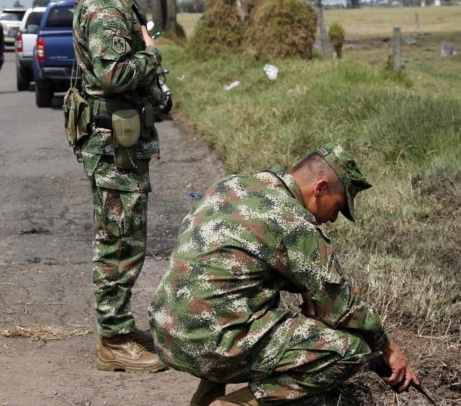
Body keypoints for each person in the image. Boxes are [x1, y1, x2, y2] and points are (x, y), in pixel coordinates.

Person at [149, 144, 420, 406]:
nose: (333, 219)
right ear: (320, 188)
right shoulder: (294, 221)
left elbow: (228, 262)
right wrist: (389, 349)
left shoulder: (231, 185)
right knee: (350, 351)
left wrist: (302, 287)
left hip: (167, 336)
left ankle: (204, 399)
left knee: (239, 300)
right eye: (338, 207)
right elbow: (343, 306)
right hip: (209, 347)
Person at [72, 0, 173, 373]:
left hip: (123, 143)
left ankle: (118, 328)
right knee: (119, 242)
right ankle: (113, 341)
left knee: (127, 237)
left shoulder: (120, 1)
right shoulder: (104, 5)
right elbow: (113, 74)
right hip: (114, 145)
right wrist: (151, 55)